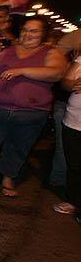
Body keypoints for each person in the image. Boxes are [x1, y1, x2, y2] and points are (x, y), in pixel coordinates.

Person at [0, 16, 67, 196]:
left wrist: (22, 71)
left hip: (30, 113)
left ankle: (8, 177)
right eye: (25, 30)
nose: (28, 34)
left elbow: (56, 73)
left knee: (18, 146)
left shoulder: (50, 52)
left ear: (43, 34)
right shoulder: (7, 50)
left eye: (34, 31)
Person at [53, 47, 81, 222]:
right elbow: (66, 82)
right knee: (75, 164)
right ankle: (73, 200)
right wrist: (73, 83)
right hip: (74, 121)